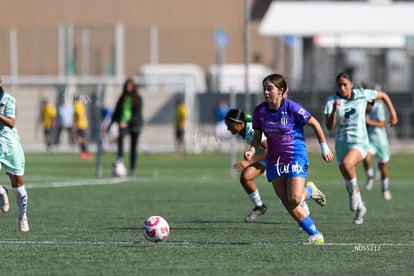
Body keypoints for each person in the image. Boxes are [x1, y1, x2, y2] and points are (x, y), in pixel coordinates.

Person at [245, 74, 334, 245]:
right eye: (264, 88)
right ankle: (315, 234)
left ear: (281, 91)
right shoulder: (259, 111)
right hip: (274, 159)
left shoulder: (292, 107)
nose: (266, 92)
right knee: (286, 201)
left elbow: (315, 123)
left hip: (295, 155)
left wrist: (324, 147)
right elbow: (257, 136)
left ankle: (309, 190)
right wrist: (251, 150)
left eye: (270, 88)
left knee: (294, 198)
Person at [225, 108, 326, 223]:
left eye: (230, 125)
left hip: (279, 156)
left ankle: (308, 209)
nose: (228, 128)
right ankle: (259, 206)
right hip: (268, 158)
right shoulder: (244, 129)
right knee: (245, 177)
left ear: (240, 123)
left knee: (286, 196)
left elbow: (269, 148)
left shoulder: (252, 129)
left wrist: (249, 161)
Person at [324, 72, 398, 224]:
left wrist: (393, 113)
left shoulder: (362, 94)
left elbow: (383, 95)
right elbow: (329, 126)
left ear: (351, 84)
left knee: (347, 165)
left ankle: (353, 196)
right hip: (341, 143)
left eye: (345, 84)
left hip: (360, 142)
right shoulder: (332, 100)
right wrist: (333, 111)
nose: (342, 87)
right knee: (348, 175)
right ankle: (361, 207)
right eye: (339, 85)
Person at [0, 79, 30, 232]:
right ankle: (1, 191)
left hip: (10, 146)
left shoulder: (8, 100)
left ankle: (22, 217)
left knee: (18, 188)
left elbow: (11, 122)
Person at [107, 78, 143, 177]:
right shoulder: (122, 98)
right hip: (123, 123)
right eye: (127, 86)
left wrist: (127, 122)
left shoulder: (137, 98)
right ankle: (120, 160)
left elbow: (137, 114)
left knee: (133, 147)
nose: (129, 88)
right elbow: (116, 113)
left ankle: (132, 169)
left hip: (135, 125)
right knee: (121, 136)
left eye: (130, 86)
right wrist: (110, 125)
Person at [363, 99, 392, 200]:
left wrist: (368, 122)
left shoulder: (378, 107)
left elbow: (381, 124)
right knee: (366, 158)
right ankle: (370, 177)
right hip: (370, 141)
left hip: (381, 142)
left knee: (382, 167)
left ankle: (385, 189)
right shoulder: (362, 108)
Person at [74, 95, 93, 160]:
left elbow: (79, 115)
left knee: (80, 140)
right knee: (81, 140)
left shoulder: (77, 105)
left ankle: (86, 153)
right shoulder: (81, 104)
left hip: (80, 125)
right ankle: (85, 153)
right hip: (83, 124)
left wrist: (76, 125)